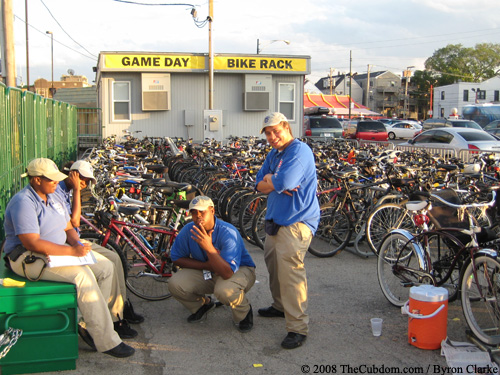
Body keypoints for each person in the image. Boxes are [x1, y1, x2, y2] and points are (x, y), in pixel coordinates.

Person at [3, 158, 135, 358]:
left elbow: (68, 226)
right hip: (27, 257)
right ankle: (106, 340)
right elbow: (31, 243)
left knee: (106, 267)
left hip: (58, 251)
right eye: (52, 180)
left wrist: (76, 244)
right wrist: (72, 253)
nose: (56, 183)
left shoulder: (52, 196)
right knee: (83, 276)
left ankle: (92, 323)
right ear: (36, 180)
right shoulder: (23, 202)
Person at [255, 112, 320, 349]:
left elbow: (284, 183)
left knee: (291, 273)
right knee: (273, 265)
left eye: (276, 131)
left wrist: (274, 181)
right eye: (268, 134)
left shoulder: (299, 151)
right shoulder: (274, 154)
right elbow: (258, 183)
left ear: (286, 127)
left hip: (296, 222)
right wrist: (274, 179)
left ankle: (297, 327)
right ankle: (280, 306)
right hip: (275, 220)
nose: (272, 137)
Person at [56, 160, 144, 325]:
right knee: (107, 267)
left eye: (87, 181)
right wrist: (76, 189)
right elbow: (75, 221)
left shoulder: (66, 191)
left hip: (75, 240)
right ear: (72, 174)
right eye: (82, 179)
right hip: (67, 243)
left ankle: (121, 307)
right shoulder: (60, 192)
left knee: (115, 258)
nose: (84, 184)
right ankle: (107, 320)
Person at [168, 196, 256, 332]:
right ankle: (202, 305)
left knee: (225, 291)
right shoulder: (188, 230)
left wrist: (209, 248)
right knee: (175, 283)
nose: (198, 216)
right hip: (210, 269)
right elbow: (176, 258)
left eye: (202, 212)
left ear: (212, 211)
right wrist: (206, 266)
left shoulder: (228, 232)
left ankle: (244, 313)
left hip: (239, 270)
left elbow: (227, 273)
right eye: (194, 212)